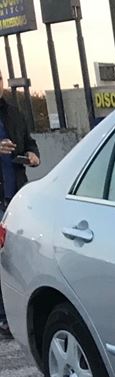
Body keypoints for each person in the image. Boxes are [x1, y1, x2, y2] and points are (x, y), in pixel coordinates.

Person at [0, 74, 40, 339]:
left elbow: (28, 141)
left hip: (15, 195)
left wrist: (34, 154)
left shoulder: (13, 112)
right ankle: (3, 318)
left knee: (15, 258)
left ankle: (14, 316)